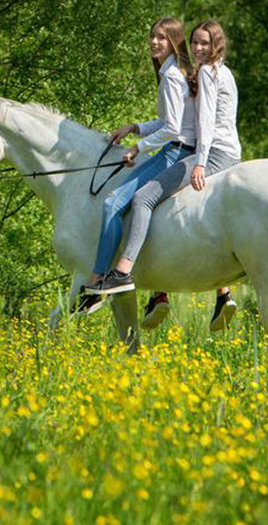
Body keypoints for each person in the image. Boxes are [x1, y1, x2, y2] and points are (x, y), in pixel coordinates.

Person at [86, 20, 242, 332]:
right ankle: (180, 292)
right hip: (210, 148)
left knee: (142, 197)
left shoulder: (195, 75)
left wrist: (194, 161)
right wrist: (136, 127)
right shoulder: (202, 72)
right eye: (195, 43)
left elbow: (196, 127)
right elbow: (184, 120)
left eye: (204, 44)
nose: (198, 49)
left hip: (205, 152)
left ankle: (118, 274)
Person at [78, 17, 196, 315]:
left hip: (177, 152)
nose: (154, 42)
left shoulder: (170, 76)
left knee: (113, 202)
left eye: (161, 37)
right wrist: (134, 127)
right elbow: (170, 121)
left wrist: (136, 147)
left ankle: (98, 282)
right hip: (179, 148)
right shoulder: (174, 71)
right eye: (152, 36)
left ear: (174, 41)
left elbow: (171, 129)